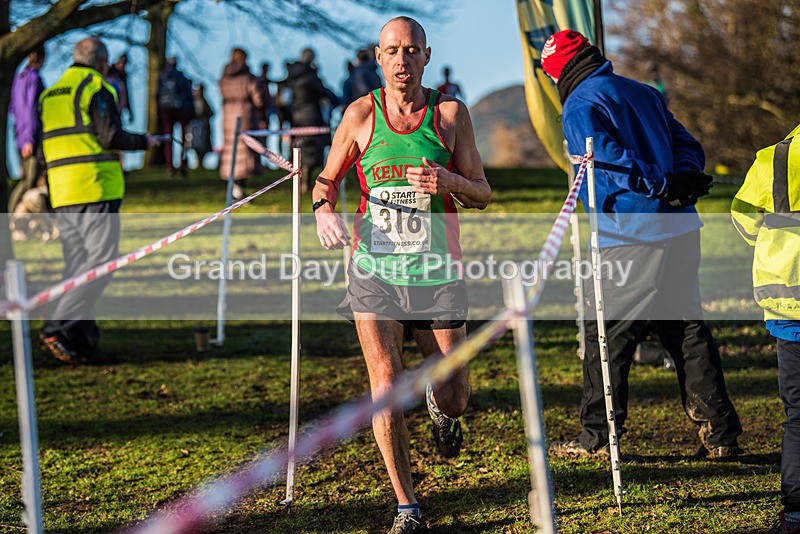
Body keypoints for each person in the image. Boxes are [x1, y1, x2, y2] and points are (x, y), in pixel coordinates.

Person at [312, 17, 491, 534]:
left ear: (426, 56)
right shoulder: (361, 114)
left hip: (437, 273)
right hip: (375, 273)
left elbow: (482, 192)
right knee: (385, 385)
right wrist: (324, 209)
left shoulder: (451, 115)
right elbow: (326, 180)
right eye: (392, 51)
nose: (401, 61)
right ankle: (407, 506)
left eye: (411, 51)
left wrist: (449, 180)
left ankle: (443, 408)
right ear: (377, 56)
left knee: (455, 393)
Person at [541, 29, 742, 460]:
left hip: (627, 235)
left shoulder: (579, 104)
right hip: (680, 228)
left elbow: (608, 158)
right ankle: (721, 434)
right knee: (687, 329)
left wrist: (659, 184)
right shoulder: (644, 93)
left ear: (556, 75)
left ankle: (596, 438)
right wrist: (680, 182)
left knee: (607, 337)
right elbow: (686, 143)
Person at [37, 37, 157, 364]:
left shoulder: (51, 93)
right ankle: (56, 327)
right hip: (94, 188)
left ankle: (81, 343)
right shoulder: (96, 86)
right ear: (102, 62)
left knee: (78, 266)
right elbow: (110, 136)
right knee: (100, 264)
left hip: (63, 192)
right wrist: (145, 141)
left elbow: (39, 143)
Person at [731, 124, 800, 534]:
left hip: (790, 305)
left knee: (798, 416)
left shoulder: (774, 157)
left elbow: (744, 221)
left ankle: (795, 516)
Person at [285, 48, 336, 192]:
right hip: (310, 114)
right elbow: (323, 91)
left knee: (301, 145)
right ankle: (306, 179)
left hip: (295, 114)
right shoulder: (309, 75)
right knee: (312, 147)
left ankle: (301, 177)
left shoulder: (292, 75)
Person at [219, 47, 266, 200]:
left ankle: (233, 187)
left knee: (231, 152)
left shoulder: (224, 76)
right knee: (244, 151)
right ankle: (239, 188)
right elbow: (258, 98)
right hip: (244, 115)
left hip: (227, 116)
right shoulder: (248, 77)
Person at [8, 44, 46, 213]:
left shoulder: (17, 78)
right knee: (30, 181)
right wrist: (29, 139)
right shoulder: (34, 78)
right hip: (31, 137)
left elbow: (13, 108)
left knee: (27, 179)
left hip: (19, 135)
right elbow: (31, 109)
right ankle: (8, 215)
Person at [157, 56, 194, 177]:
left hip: (166, 111)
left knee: (168, 138)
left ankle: (169, 166)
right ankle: (182, 163)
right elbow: (188, 95)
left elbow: (157, 95)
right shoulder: (181, 77)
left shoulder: (161, 77)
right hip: (181, 110)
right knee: (183, 139)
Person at [188, 83, 214, 166]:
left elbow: (211, 113)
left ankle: (200, 163)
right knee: (197, 145)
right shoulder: (194, 101)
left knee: (202, 147)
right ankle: (198, 162)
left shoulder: (203, 101)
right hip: (196, 128)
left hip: (203, 128)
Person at [106, 53, 132, 122]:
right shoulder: (109, 71)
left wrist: (130, 111)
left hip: (119, 107)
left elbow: (126, 93)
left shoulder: (123, 75)